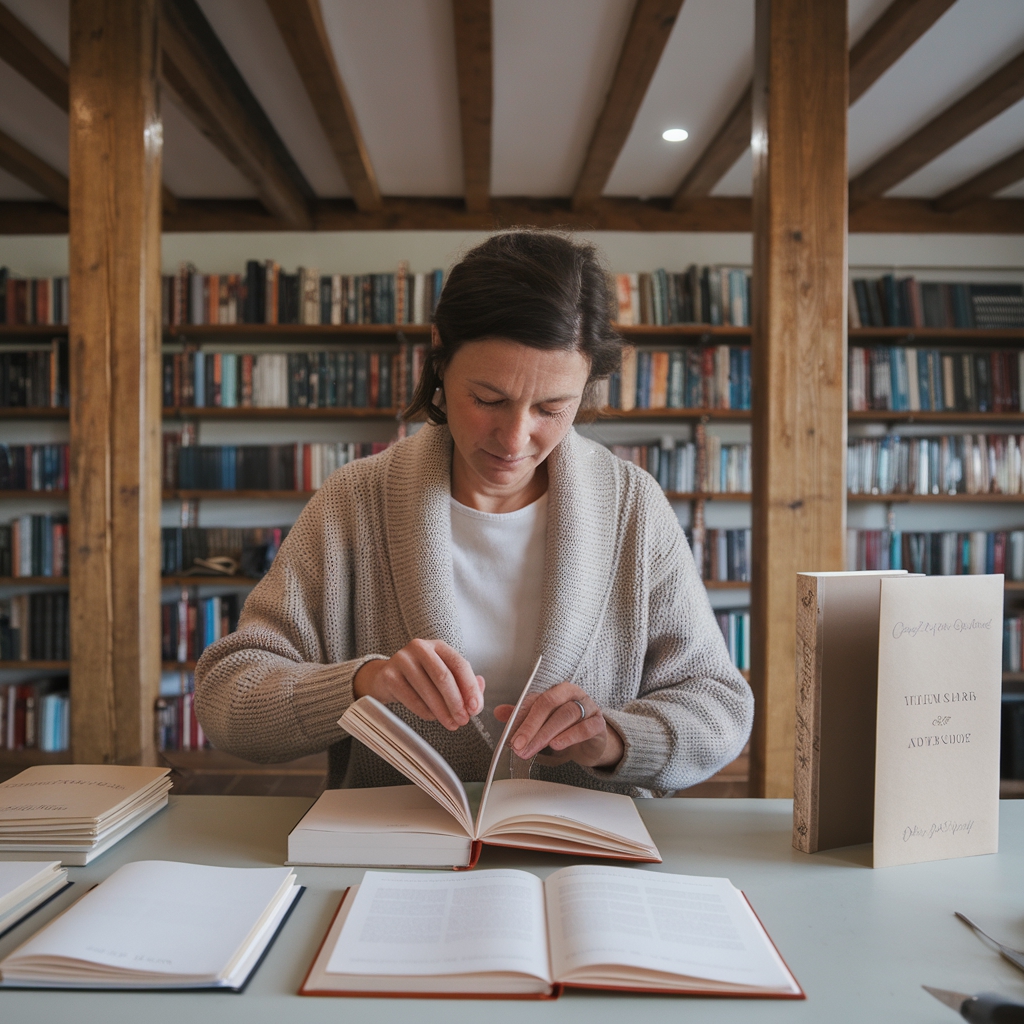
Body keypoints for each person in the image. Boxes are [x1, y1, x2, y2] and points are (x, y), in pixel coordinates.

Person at [194, 231, 753, 796]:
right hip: (394, 859)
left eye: (552, 408)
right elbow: (226, 699)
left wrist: (612, 740)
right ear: (440, 353)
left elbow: (719, 708)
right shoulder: (355, 502)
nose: (515, 439)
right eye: (487, 399)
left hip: (585, 863)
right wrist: (363, 682)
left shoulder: (633, 506)